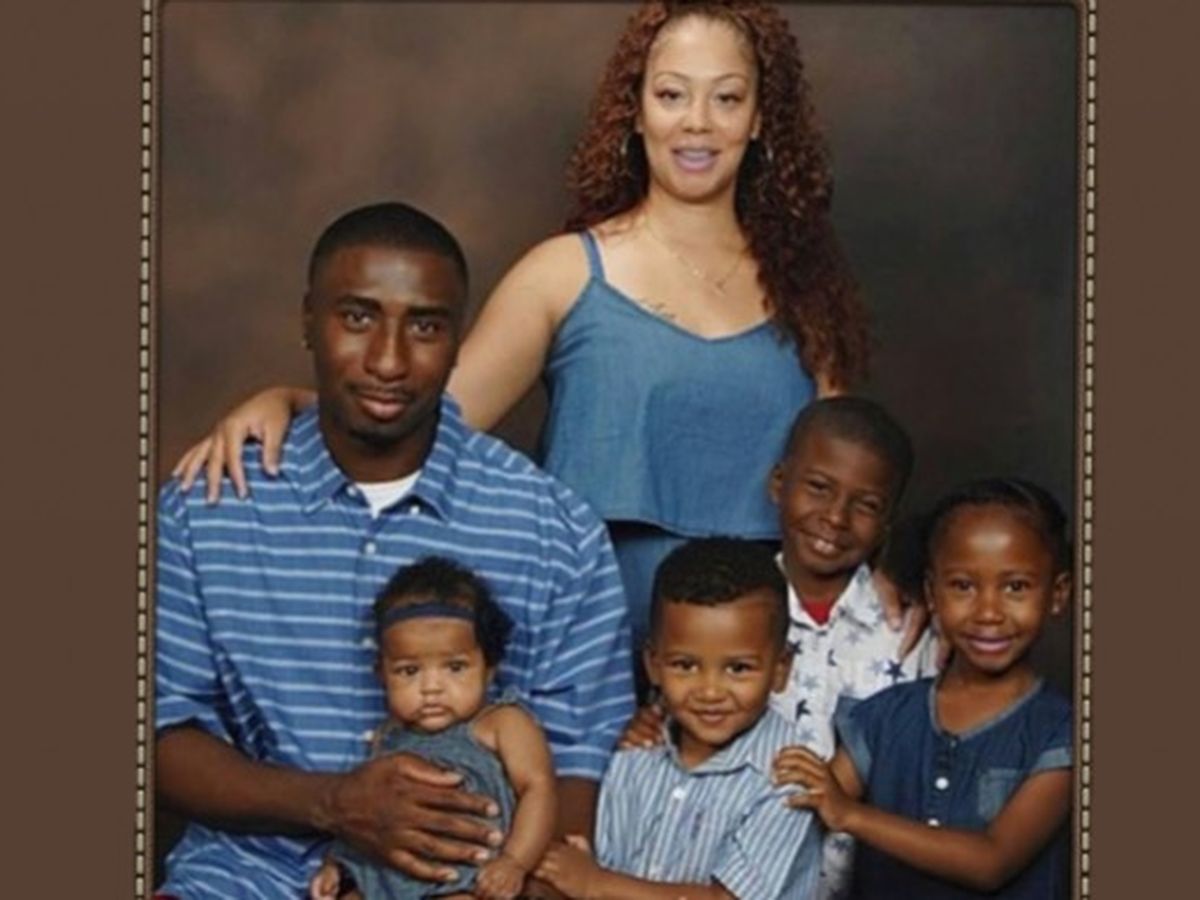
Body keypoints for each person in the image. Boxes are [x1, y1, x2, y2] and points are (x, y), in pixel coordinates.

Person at [170, 1, 924, 675]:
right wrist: (290, 401)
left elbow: (845, 478)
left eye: (726, 98)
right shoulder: (564, 273)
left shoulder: (806, 292)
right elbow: (428, 417)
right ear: (636, 110)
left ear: (760, 119)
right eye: (671, 94)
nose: (697, 121)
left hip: (762, 661)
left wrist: (880, 586)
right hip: (591, 641)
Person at [154, 201, 634, 900]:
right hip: (242, 879)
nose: (388, 360)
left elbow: (577, 763)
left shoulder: (552, 529)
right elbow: (162, 735)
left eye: (426, 327)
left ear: (459, 340)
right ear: (308, 321)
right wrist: (333, 803)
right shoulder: (208, 508)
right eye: (357, 318)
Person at [620, 396, 939, 899]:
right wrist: (651, 729)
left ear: (887, 524)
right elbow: (679, 715)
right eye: (818, 488)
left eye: (865, 505)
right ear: (777, 483)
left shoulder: (910, 633)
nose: (835, 517)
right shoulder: (723, 607)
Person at [774, 477, 1074, 898]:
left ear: (1058, 594)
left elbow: (992, 862)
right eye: (963, 586)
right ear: (932, 593)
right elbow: (798, 815)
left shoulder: (1061, 731)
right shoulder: (884, 716)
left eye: (1016, 587)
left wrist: (850, 815)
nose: (988, 612)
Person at [534, 538, 823, 900]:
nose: (710, 691)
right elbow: (603, 862)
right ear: (653, 664)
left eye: (738, 668)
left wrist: (595, 884)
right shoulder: (636, 752)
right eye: (685, 665)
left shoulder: (787, 777)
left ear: (781, 669)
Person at [310, 557, 555, 900]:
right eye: (410, 671)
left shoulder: (501, 723)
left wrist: (515, 862)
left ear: (489, 668)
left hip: (464, 878)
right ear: (382, 674)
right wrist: (336, 865)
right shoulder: (388, 736)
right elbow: (361, 812)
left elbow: (538, 788)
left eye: (454, 667)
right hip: (383, 879)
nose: (431, 688)